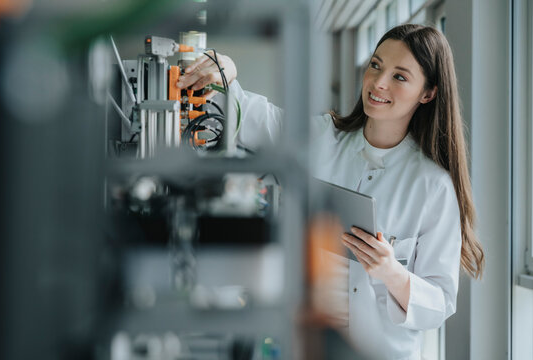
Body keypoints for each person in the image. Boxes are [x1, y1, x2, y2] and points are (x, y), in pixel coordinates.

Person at [176, 24, 485, 360]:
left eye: (400, 76)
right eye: (376, 65)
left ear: (428, 93)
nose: (378, 83)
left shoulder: (433, 186)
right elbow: (254, 118)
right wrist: (227, 74)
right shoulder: (323, 138)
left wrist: (390, 270)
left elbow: (439, 303)